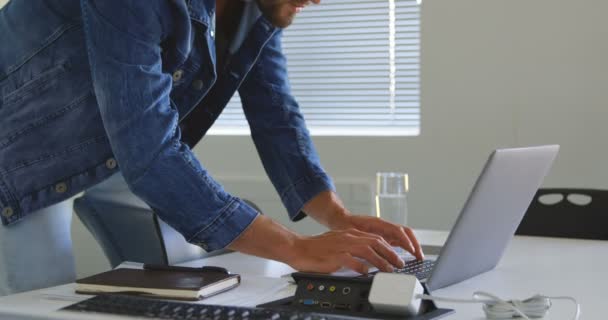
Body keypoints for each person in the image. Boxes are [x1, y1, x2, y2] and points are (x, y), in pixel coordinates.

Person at [0, 0, 424, 296]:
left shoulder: (256, 9)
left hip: (116, 147)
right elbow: (150, 151)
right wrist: (296, 247)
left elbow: (276, 115)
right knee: (43, 301)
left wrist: (338, 217)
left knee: (188, 282)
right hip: (20, 157)